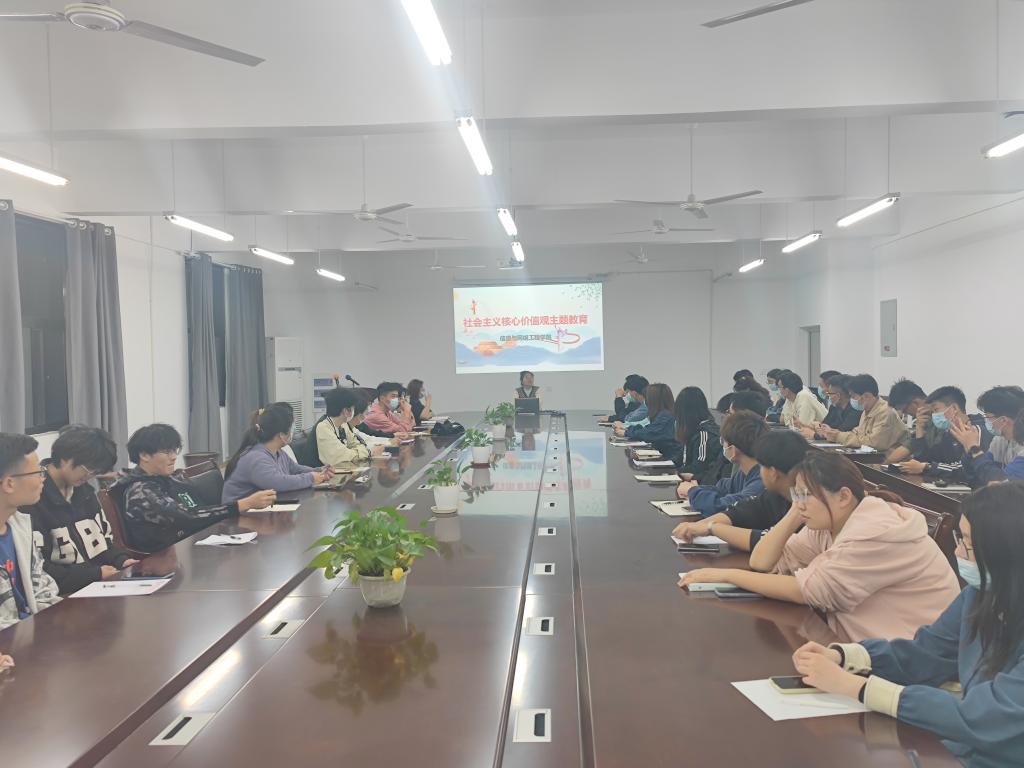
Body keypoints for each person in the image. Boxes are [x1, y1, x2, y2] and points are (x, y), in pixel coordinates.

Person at [789, 482, 1024, 766]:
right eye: (960, 540)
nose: (959, 554)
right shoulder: (981, 595)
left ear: (1007, 556)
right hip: (962, 751)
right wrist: (844, 656)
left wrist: (857, 687)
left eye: (969, 545)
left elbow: (984, 718)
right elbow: (927, 652)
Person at [681, 452, 960, 641]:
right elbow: (763, 562)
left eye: (806, 495)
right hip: (864, 642)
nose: (799, 503)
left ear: (843, 497)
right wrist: (794, 514)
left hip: (910, 652)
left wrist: (726, 575)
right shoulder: (831, 522)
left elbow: (806, 591)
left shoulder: (874, 531)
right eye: (796, 494)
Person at [116, 424, 277, 553]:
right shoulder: (140, 491)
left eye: (175, 450)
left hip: (192, 547)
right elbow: (187, 517)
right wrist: (243, 504)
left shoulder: (167, 479)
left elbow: (198, 508)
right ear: (144, 455)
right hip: (161, 561)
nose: (174, 457)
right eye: (167, 452)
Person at [23, 426, 139, 595]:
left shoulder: (85, 493)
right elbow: (40, 569)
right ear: (65, 458)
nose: (90, 476)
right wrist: (93, 574)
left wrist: (121, 560)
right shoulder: (32, 500)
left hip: (98, 586)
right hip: (62, 595)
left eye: (96, 471)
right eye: (88, 468)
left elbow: (103, 543)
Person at [673, 430, 809, 552]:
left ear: (773, 473)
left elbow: (767, 543)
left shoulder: (805, 507)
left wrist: (711, 527)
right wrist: (698, 526)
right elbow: (740, 512)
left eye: (761, 466)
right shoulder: (776, 495)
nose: (759, 471)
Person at [0, 433, 61, 630]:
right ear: (9, 483)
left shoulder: (20, 526)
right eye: (38, 472)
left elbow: (42, 588)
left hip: (31, 635)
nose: (43, 479)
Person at [222, 403, 332, 503]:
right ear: (281, 435)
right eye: (292, 427)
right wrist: (311, 478)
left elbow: (295, 469)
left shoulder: (278, 452)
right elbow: (279, 482)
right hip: (239, 515)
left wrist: (320, 471)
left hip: (260, 511)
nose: (294, 430)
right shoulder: (256, 457)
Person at [676, 411, 767, 516]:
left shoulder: (762, 479)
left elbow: (724, 506)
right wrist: (696, 490)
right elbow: (722, 489)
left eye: (723, 441)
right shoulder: (745, 472)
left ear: (733, 450)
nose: (722, 445)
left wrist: (693, 492)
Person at [896, 385, 991, 484]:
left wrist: (927, 468)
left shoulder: (976, 430)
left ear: (954, 408)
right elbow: (928, 459)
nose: (934, 415)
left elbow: (966, 469)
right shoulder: (949, 433)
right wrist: (919, 430)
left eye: (936, 410)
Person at [816, 374, 909, 457]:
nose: (851, 399)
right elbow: (857, 433)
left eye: (853, 396)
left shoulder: (885, 412)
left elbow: (873, 443)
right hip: (875, 457)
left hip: (891, 460)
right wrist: (834, 432)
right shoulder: (867, 410)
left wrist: (838, 436)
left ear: (866, 396)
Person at [952, 385, 1024, 483]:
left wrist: (974, 448)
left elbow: (1002, 483)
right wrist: (968, 448)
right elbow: (977, 472)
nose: (986, 421)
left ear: (1003, 420)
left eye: (988, 417)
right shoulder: (999, 440)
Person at [666, 387, 724, 483]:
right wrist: (666, 465)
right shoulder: (694, 430)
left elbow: (698, 468)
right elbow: (681, 458)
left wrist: (675, 472)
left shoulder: (704, 434)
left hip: (698, 484)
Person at [317, 388, 386, 466]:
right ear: (346, 411)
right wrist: (368, 452)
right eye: (353, 408)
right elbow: (341, 456)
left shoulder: (343, 425)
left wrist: (357, 452)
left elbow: (359, 444)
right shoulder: (323, 427)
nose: (355, 411)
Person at [885, 379, 930, 462]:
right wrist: (884, 465)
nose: (904, 414)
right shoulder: (922, 419)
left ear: (915, 403)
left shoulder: (938, 420)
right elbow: (908, 446)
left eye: (904, 410)